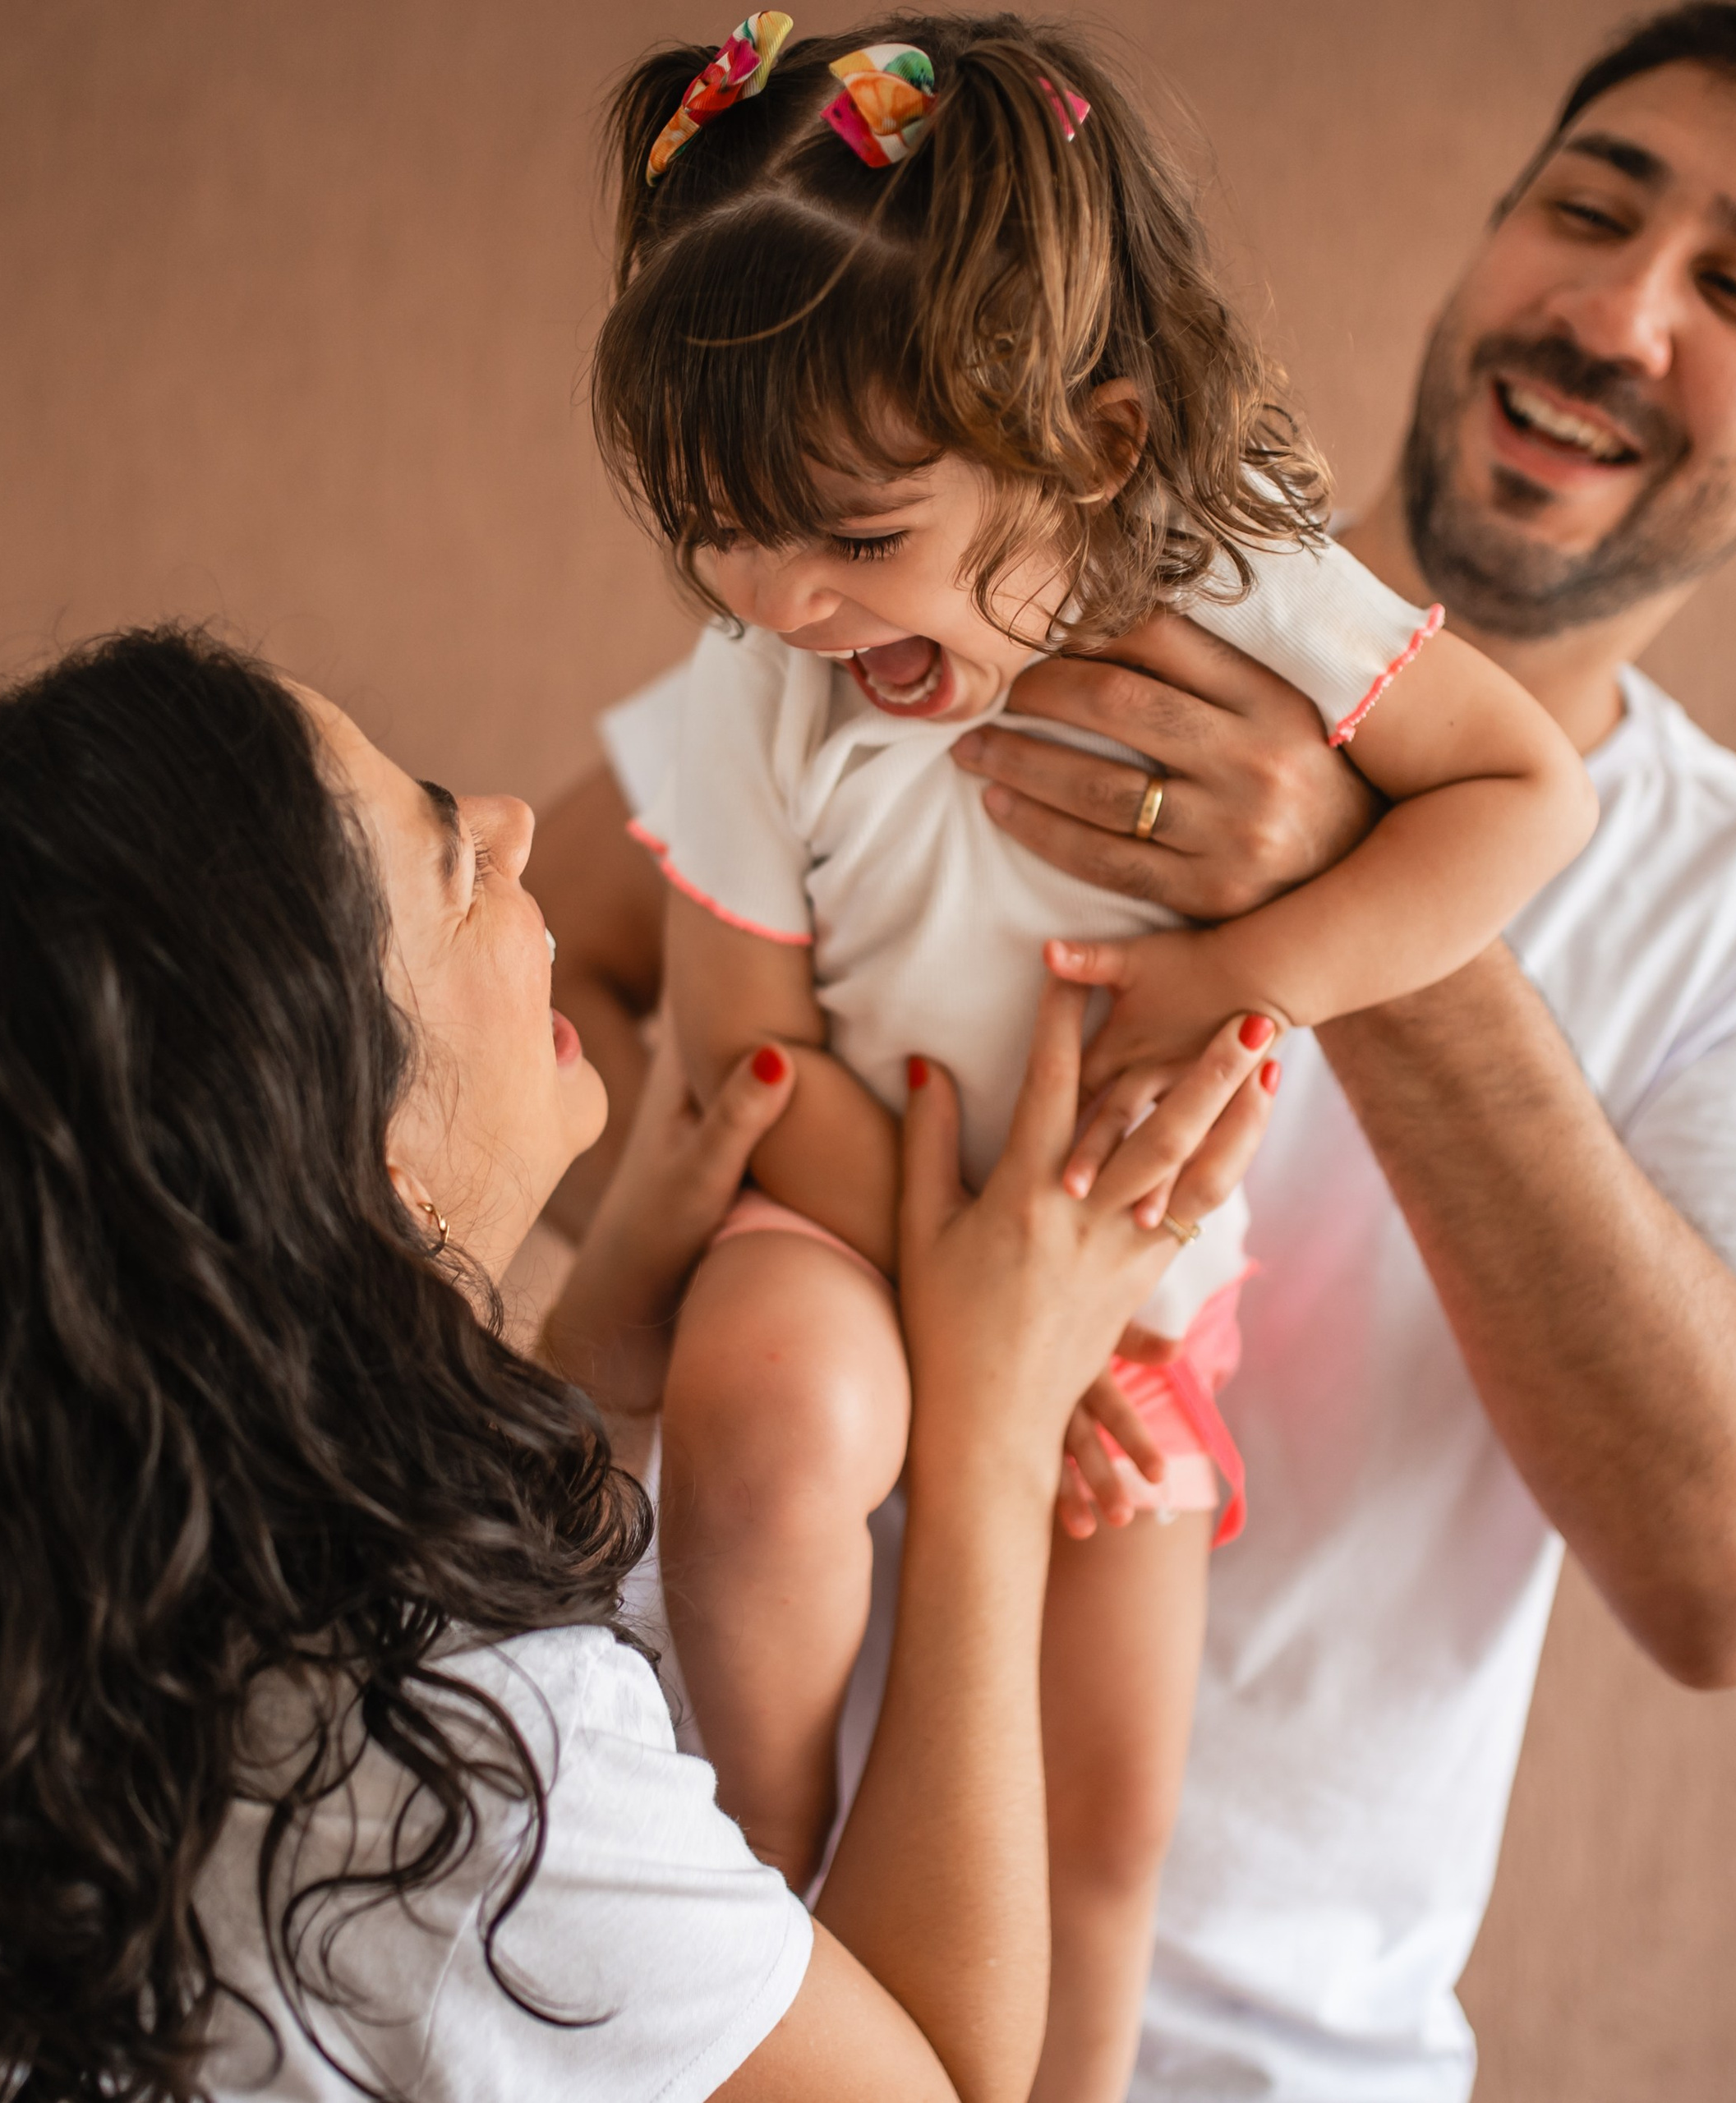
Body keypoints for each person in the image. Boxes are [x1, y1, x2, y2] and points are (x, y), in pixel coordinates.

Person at [528, 7, 1736, 2096]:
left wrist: (1274, 936)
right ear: (1485, 232)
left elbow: (1713, 1574)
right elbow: (531, 974)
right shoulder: (832, 642)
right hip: (762, 1939)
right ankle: (770, 1905)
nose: (1622, 311)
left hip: (1273, 2037)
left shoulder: (1672, 889)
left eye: (1732, 287)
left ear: (1084, 437)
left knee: (1100, 1818)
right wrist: (889, 1295)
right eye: (1587, 206)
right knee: (777, 1405)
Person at [0, 627, 1275, 2103]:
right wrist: (992, 1433)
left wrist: (580, 1383)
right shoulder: (447, 1784)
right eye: (440, 854)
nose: (509, 820)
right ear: (357, 1151)